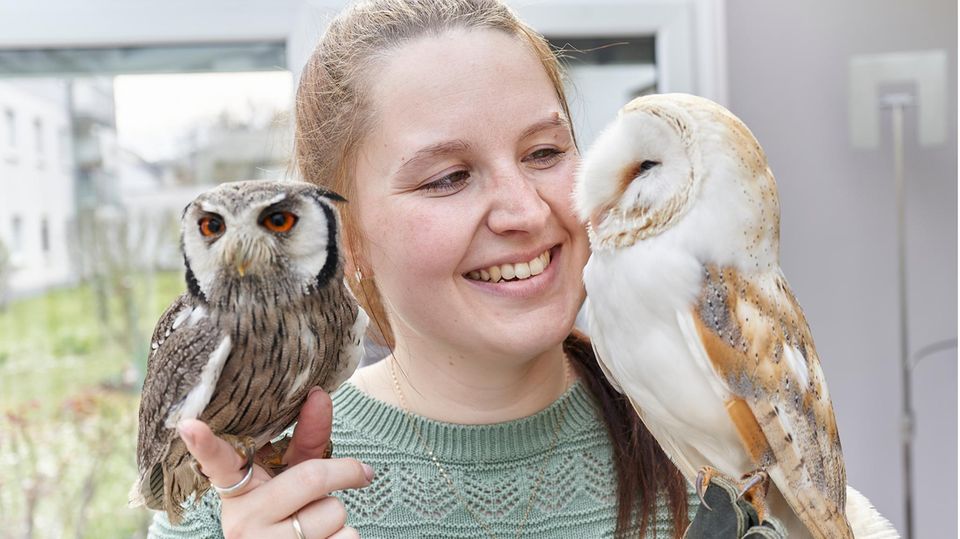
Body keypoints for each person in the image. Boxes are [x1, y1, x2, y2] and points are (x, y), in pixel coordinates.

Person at [148, 1, 785, 537]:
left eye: (544, 152)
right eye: (448, 177)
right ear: (348, 241)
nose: (525, 211)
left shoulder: (724, 432)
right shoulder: (239, 497)